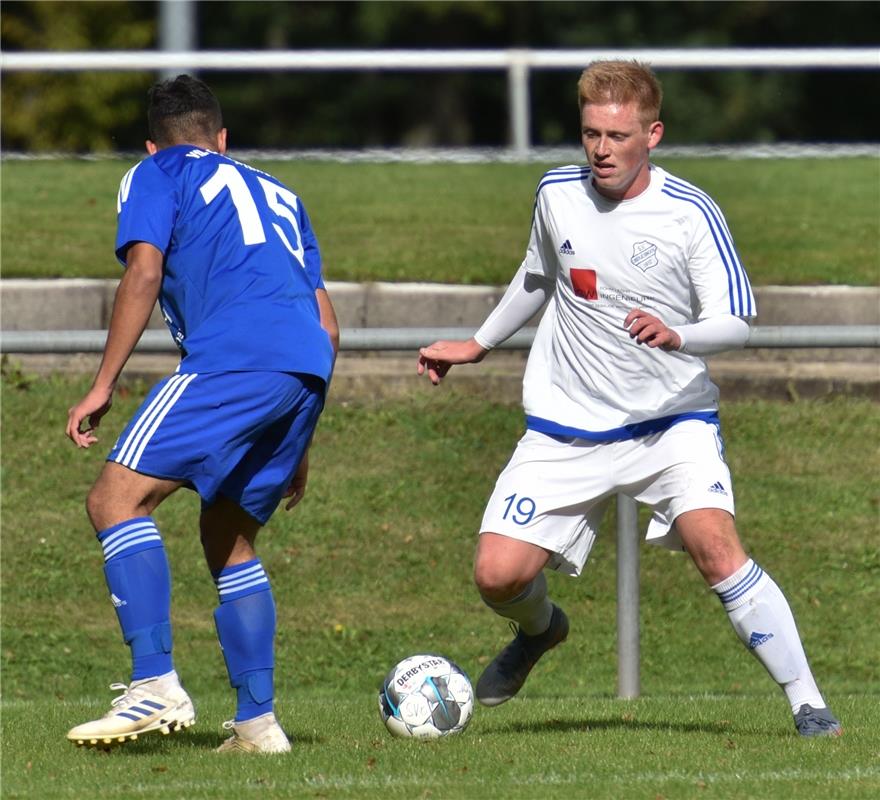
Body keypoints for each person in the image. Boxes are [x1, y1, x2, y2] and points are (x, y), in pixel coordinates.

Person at [417, 60, 840, 737]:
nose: (601, 150)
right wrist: (478, 344)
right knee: (497, 576)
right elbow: (537, 274)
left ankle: (807, 702)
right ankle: (540, 631)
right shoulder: (557, 192)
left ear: (654, 134)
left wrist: (681, 335)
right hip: (567, 425)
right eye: (590, 134)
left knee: (716, 547)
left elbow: (736, 319)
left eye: (616, 135)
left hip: (670, 422)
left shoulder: (690, 213)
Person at [65, 74, 339, 754]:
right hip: (303, 367)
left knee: (115, 500)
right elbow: (327, 325)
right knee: (228, 534)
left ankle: (153, 682)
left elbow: (145, 272)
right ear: (222, 139)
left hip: (232, 357)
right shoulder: (280, 192)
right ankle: (257, 724)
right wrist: (296, 434)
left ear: (154, 141)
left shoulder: (154, 172)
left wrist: (103, 383)